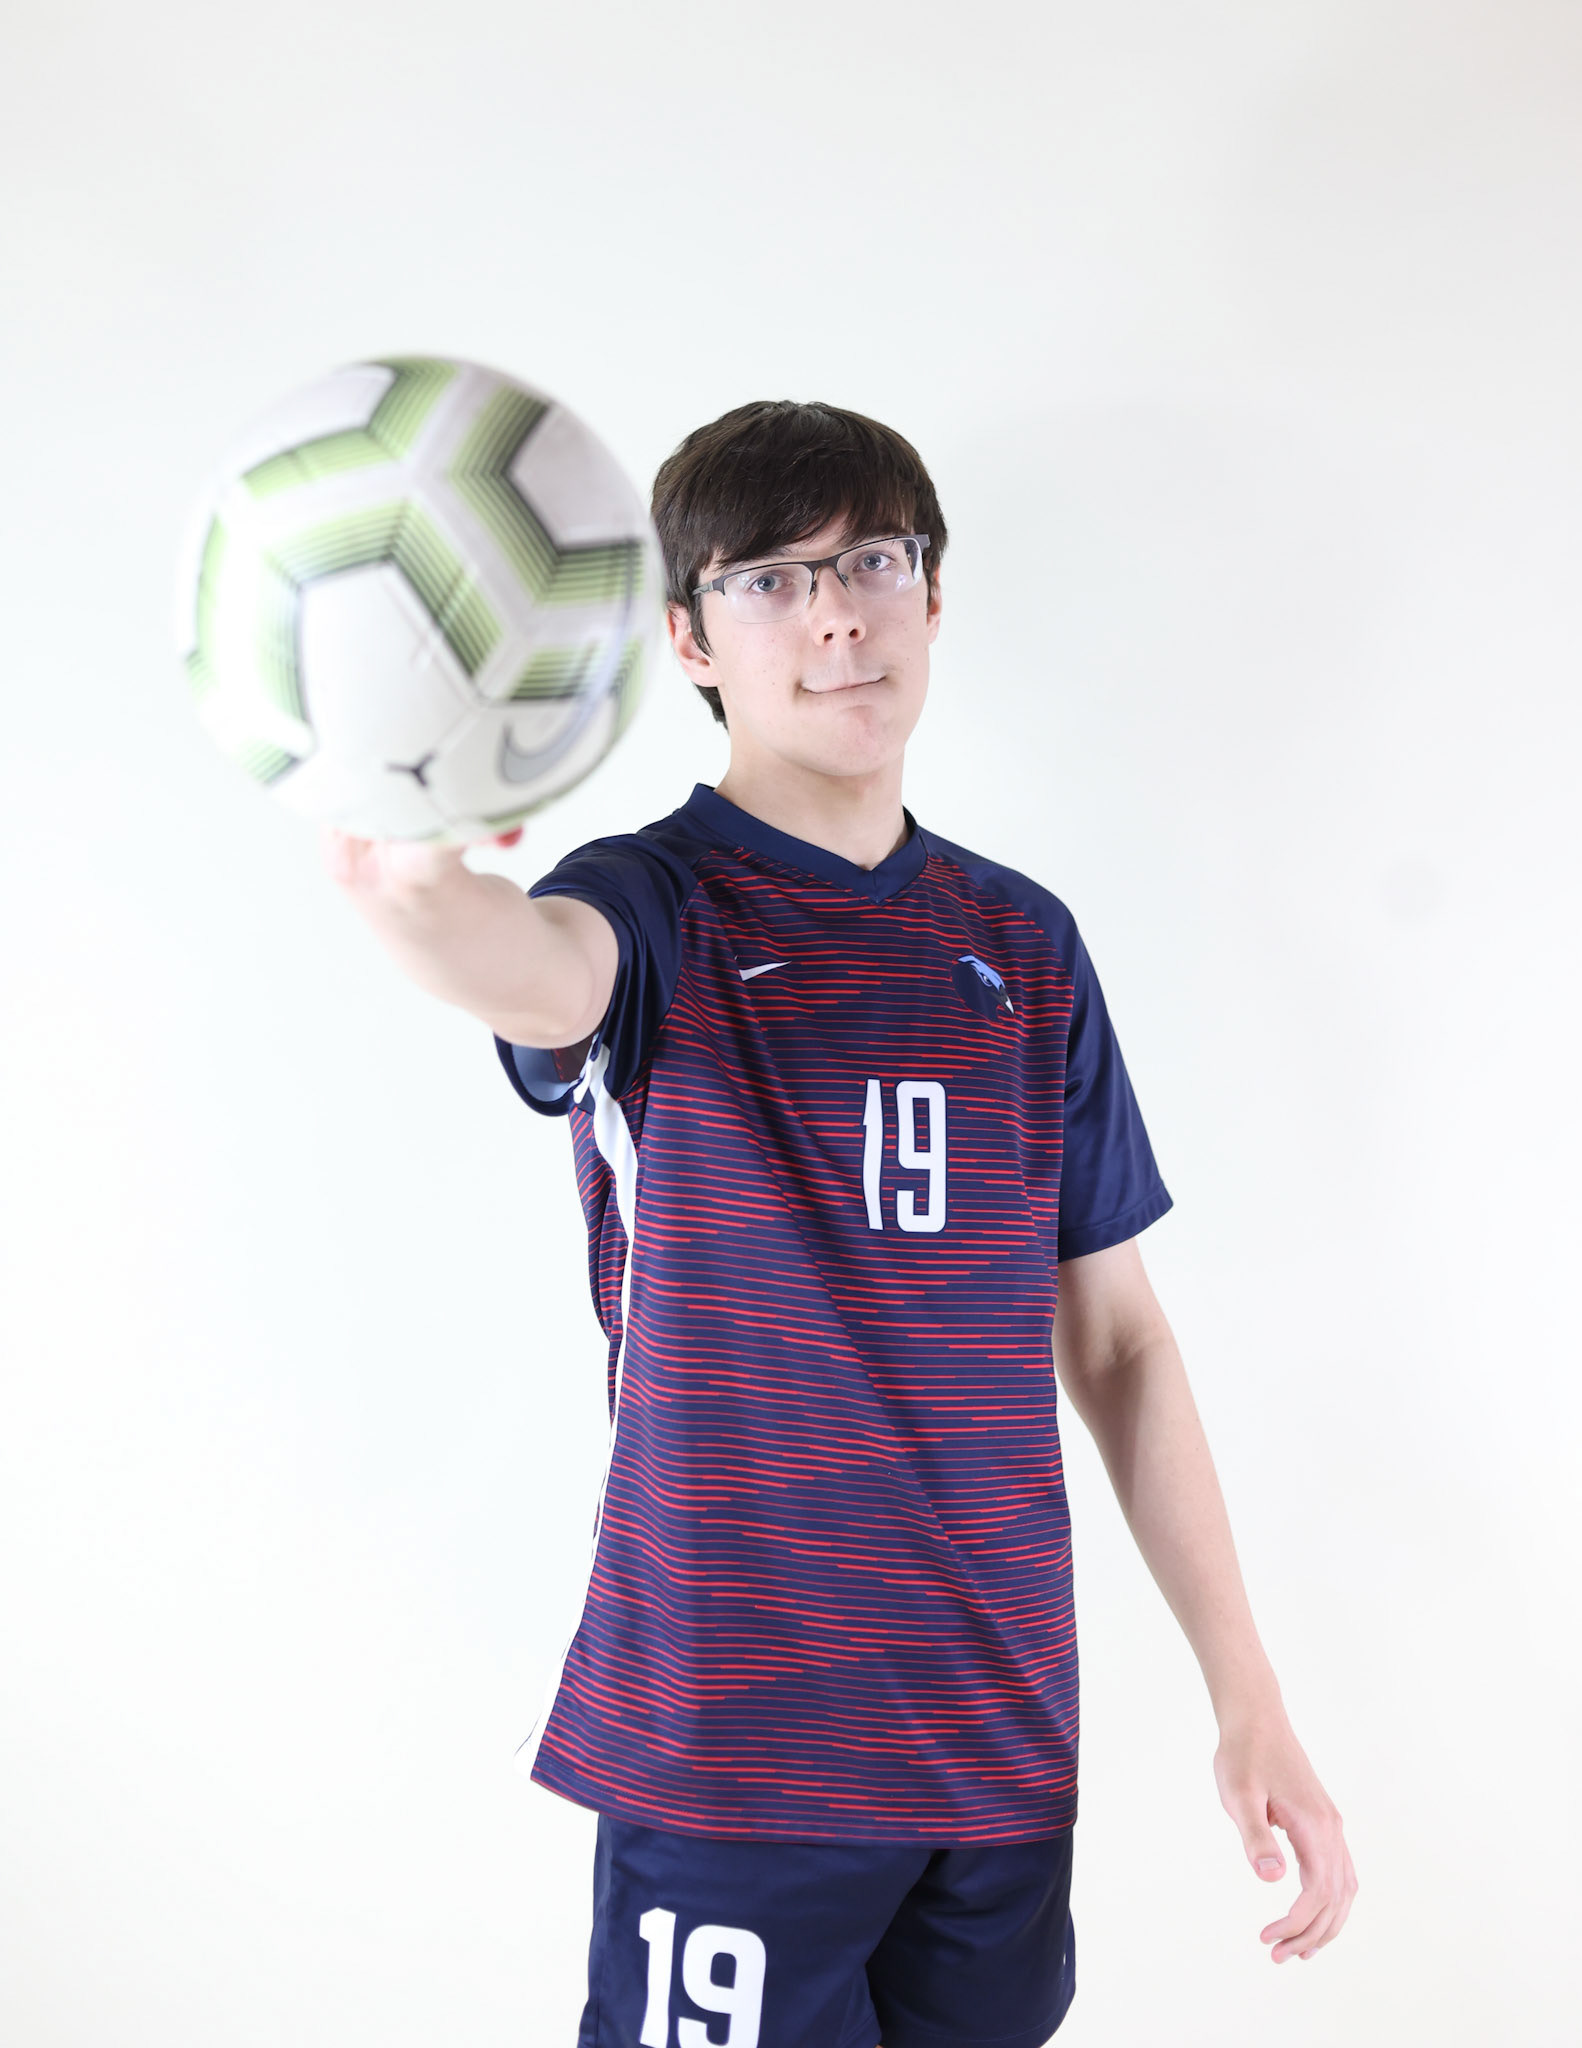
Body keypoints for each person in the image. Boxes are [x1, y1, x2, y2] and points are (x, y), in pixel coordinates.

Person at [326, 399, 1357, 2048]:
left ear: (932, 598)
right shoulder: (655, 904)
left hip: (998, 1745)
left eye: (876, 559)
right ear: (688, 637)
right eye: (771, 578)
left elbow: (1120, 1338)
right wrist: (414, 881)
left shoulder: (1021, 946)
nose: (836, 612)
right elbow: (527, 967)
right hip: (740, 1747)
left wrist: (1250, 1698)